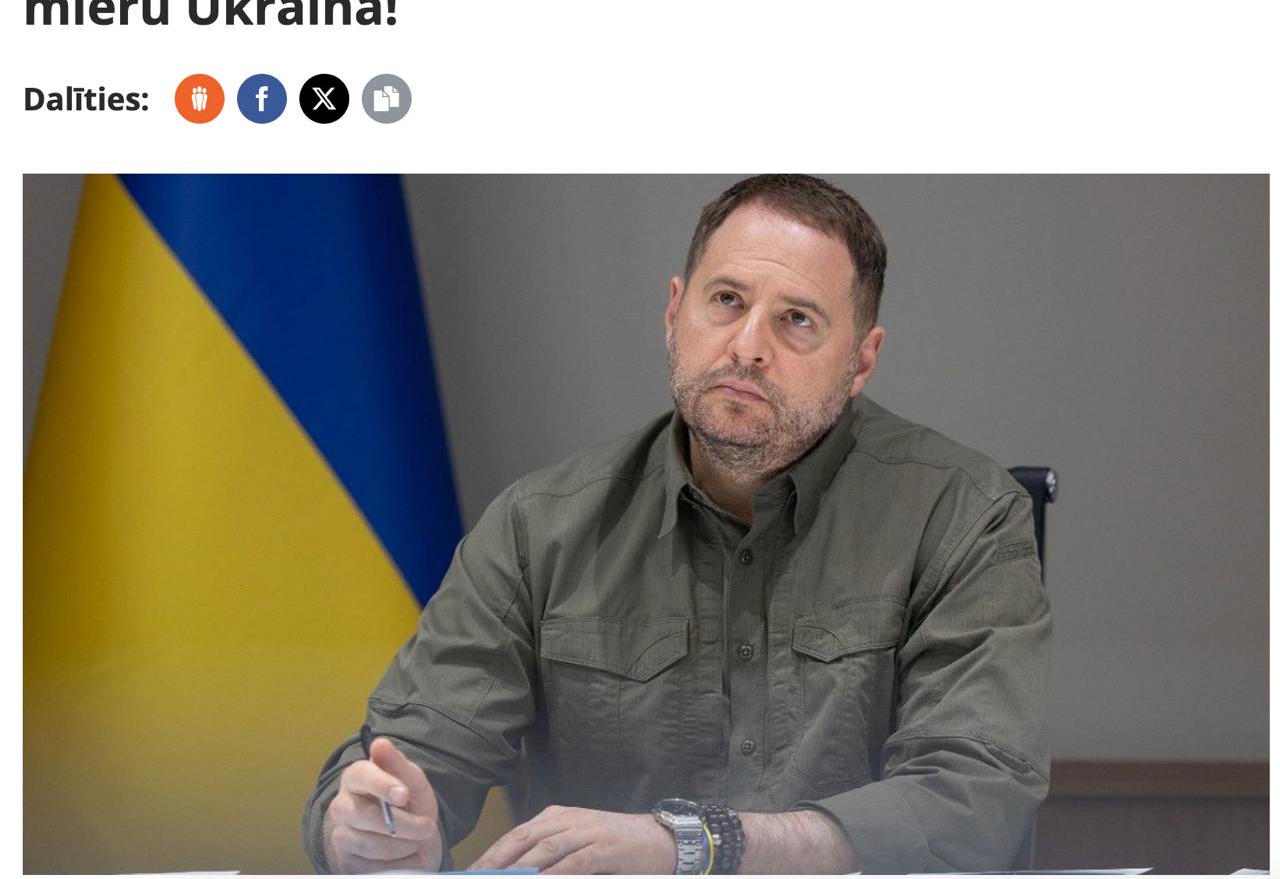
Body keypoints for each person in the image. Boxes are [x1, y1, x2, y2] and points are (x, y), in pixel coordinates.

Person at [303, 174, 1051, 874]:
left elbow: (975, 798)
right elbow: (409, 763)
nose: (747, 346)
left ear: (860, 361)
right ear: (674, 313)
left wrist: (696, 844)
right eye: (726, 300)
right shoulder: (539, 526)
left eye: (796, 320)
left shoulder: (962, 514)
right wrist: (374, 826)